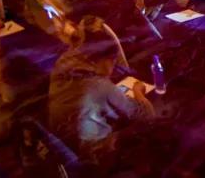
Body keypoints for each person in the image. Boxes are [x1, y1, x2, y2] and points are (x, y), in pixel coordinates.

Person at [48, 16, 153, 160]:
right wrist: (138, 91)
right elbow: (145, 114)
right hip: (94, 155)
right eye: (113, 62)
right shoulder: (99, 86)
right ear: (105, 60)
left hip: (63, 144)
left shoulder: (63, 62)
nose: (112, 68)